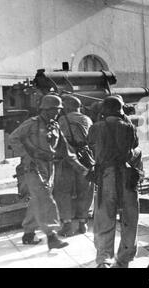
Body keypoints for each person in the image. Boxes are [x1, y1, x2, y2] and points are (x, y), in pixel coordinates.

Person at [9, 94, 89, 250]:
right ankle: (52, 236)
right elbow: (13, 138)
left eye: (59, 110)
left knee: (37, 199)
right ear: (45, 110)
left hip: (49, 167)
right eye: (55, 110)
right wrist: (28, 154)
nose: (57, 113)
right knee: (46, 200)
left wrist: (82, 169)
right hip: (32, 168)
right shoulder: (31, 124)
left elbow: (66, 151)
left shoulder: (55, 125)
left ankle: (29, 233)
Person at [88, 96, 142, 268]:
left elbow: (90, 145)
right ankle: (124, 258)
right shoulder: (129, 127)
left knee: (104, 217)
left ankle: (104, 259)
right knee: (130, 218)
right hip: (126, 176)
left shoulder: (95, 127)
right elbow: (134, 146)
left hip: (106, 176)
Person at [54, 95, 94, 237]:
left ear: (67, 107)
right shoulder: (87, 119)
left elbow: (59, 140)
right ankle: (83, 223)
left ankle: (67, 224)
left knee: (63, 191)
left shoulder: (62, 120)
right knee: (86, 189)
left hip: (66, 159)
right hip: (85, 158)